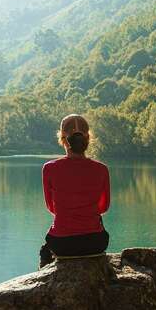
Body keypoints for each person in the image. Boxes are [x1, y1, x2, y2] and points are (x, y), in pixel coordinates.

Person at [39, 114, 111, 268]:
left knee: (45, 251)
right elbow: (103, 208)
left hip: (62, 244)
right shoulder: (101, 169)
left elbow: (51, 208)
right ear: (88, 138)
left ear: (63, 139)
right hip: (95, 243)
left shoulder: (50, 168)